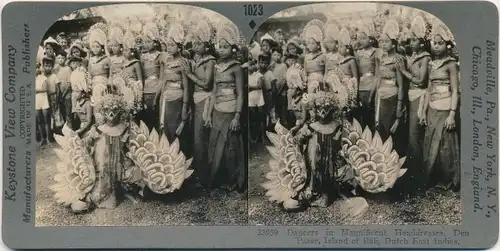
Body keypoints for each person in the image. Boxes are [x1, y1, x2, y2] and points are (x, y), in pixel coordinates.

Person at [207, 22, 246, 193]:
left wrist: (237, 116)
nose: (222, 49)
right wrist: (208, 113)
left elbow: (240, 93)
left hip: (231, 110)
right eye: (220, 46)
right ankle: (217, 178)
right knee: (216, 145)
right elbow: (214, 91)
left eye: (225, 47)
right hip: (217, 109)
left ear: (233, 48)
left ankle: (234, 180)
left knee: (231, 147)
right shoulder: (216, 67)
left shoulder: (236, 67)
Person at [422, 20, 460, 192]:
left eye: (440, 43)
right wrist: (423, 110)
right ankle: (433, 177)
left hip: (446, 107)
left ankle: (449, 179)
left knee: (445, 143)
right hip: (432, 107)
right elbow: (429, 88)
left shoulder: (451, 64)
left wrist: (452, 114)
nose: (436, 46)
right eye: (434, 43)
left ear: (447, 44)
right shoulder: (431, 63)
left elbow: (455, 91)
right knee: (431, 141)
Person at [396, 15, 432, 192]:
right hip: (410, 96)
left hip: (419, 95)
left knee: (415, 134)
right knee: (410, 134)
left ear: (423, 42)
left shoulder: (425, 57)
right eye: (411, 39)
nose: (412, 41)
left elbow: (422, 81)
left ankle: (418, 174)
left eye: (415, 39)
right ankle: (412, 170)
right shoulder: (411, 55)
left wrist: (403, 72)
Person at [181, 20, 216, 182]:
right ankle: (199, 170)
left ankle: (205, 174)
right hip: (196, 100)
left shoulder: (210, 61)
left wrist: (189, 75)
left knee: (201, 137)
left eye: (199, 43)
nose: (195, 46)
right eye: (194, 43)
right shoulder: (195, 58)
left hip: (205, 99)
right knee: (196, 137)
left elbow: (207, 84)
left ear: (207, 45)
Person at [158, 23, 190, 149]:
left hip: (177, 101)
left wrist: (185, 107)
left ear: (179, 46)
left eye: (172, 45)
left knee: (175, 131)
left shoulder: (183, 62)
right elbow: (164, 81)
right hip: (165, 99)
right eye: (167, 45)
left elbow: (186, 87)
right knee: (164, 131)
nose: (169, 48)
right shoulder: (167, 61)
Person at [373, 19, 405, 144]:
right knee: (379, 128)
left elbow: (401, 86)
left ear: (394, 42)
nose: (383, 44)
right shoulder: (381, 58)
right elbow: (378, 78)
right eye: (381, 41)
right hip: (380, 96)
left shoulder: (398, 59)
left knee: (390, 130)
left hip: (392, 97)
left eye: (386, 41)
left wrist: (399, 107)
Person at [354, 21, 379, 129]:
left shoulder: (376, 51)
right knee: (362, 116)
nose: (361, 41)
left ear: (370, 38)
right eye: (359, 38)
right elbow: (358, 73)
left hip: (372, 85)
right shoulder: (358, 53)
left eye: (364, 38)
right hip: (361, 87)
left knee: (372, 115)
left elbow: (378, 73)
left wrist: (373, 90)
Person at [140, 22, 162, 130]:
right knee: (148, 118)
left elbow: (162, 75)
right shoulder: (143, 57)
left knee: (157, 116)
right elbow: (142, 76)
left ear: (155, 42)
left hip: (157, 88)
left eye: (149, 41)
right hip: (146, 89)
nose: (146, 44)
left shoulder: (160, 55)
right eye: (145, 42)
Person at [87, 23, 111, 123]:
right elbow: (89, 74)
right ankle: (98, 126)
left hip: (104, 85)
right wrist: (89, 84)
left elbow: (111, 73)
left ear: (102, 47)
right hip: (94, 85)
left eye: (97, 46)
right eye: (93, 46)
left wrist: (109, 83)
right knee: (96, 107)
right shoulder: (91, 60)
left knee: (104, 106)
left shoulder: (106, 59)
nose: (95, 49)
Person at [302, 19, 326, 94]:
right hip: (309, 81)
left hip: (320, 80)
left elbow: (326, 70)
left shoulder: (322, 55)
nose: (311, 45)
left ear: (318, 45)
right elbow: (305, 71)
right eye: (309, 43)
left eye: (313, 43)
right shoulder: (306, 57)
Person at [270, 47, 290, 128]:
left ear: (281, 55)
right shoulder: (271, 65)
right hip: (274, 91)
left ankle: (285, 126)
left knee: (283, 110)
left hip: (282, 92)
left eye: (278, 55)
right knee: (276, 110)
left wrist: (278, 91)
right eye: (274, 55)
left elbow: (285, 80)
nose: (276, 57)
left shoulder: (283, 65)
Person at [54, 51, 73, 125]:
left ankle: (70, 128)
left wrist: (63, 94)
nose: (61, 59)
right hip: (59, 94)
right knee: (61, 112)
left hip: (67, 94)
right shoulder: (55, 69)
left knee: (68, 112)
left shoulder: (68, 68)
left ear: (65, 59)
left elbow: (69, 83)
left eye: (62, 58)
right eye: (59, 58)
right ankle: (64, 130)